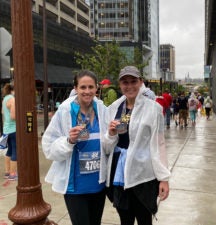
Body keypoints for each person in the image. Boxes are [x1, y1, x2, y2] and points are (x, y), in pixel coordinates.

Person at [42, 70, 111, 225]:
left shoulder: (102, 110)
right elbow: (48, 147)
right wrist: (69, 141)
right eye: (83, 87)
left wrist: (112, 135)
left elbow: (108, 146)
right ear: (76, 88)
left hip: (98, 185)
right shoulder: (65, 111)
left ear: (96, 88)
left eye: (91, 87)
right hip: (75, 187)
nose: (87, 91)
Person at [104, 65, 170, 225]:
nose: (129, 86)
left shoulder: (154, 109)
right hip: (120, 173)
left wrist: (164, 178)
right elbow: (107, 146)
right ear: (120, 85)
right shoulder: (114, 108)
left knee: (144, 219)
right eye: (125, 82)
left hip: (144, 174)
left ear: (140, 82)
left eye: (133, 81)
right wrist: (111, 134)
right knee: (125, 219)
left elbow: (159, 144)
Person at [1, 83, 17, 180]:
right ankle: (13, 174)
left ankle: (7, 172)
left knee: (10, 150)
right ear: (13, 90)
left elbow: (3, 112)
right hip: (14, 129)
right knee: (16, 150)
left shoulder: (5, 99)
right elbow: (13, 116)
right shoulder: (12, 99)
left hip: (6, 129)